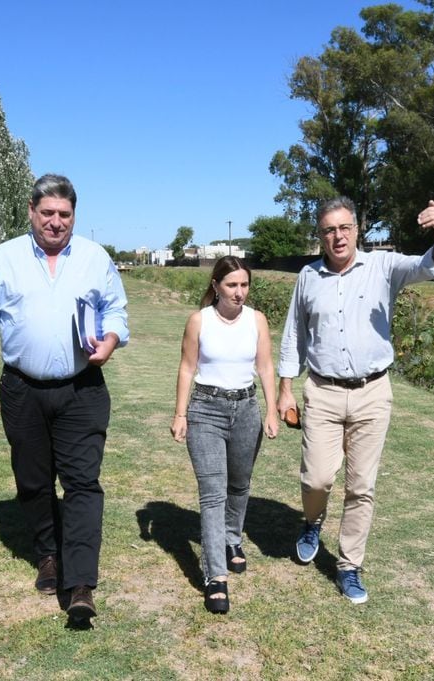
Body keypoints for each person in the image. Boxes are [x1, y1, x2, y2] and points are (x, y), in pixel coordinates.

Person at [0, 173, 129, 624]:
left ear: (75, 216)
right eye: (47, 213)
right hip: (22, 389)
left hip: (82, 389)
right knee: (33, 482)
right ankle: (47, 554)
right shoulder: (3, 258)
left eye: (65, 215)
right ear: (31, 212)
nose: (56, 222)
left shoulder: (95, 258)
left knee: (82, 484)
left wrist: (110, 340)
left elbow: (116, 310)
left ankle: (81, 584)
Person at [277, 196, 434, 604]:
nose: (337, 237)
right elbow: (294, 335)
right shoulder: (308, 276)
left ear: (357, 230)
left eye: (344, 228)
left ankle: (349, 566)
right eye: (328, 230)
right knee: (316, 478)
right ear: (320, 236)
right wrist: (286, 388)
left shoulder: (383, 267)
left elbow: (433, 264)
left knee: (361, 486)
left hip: (373, 392)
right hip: (322, 390)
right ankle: (312, 521)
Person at [170, 256, 279, 614]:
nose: (239, 292)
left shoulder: (257, 320)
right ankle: (215, 576)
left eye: (244, 285)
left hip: (246, 409)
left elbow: (264, 366)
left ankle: (233, 539)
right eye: (232, 285)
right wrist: (180, 413)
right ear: (216, 286)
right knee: (213, 494)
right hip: (205, 410)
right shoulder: (198, 321)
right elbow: (187, 368)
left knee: (239, 484)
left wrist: (272, 410)